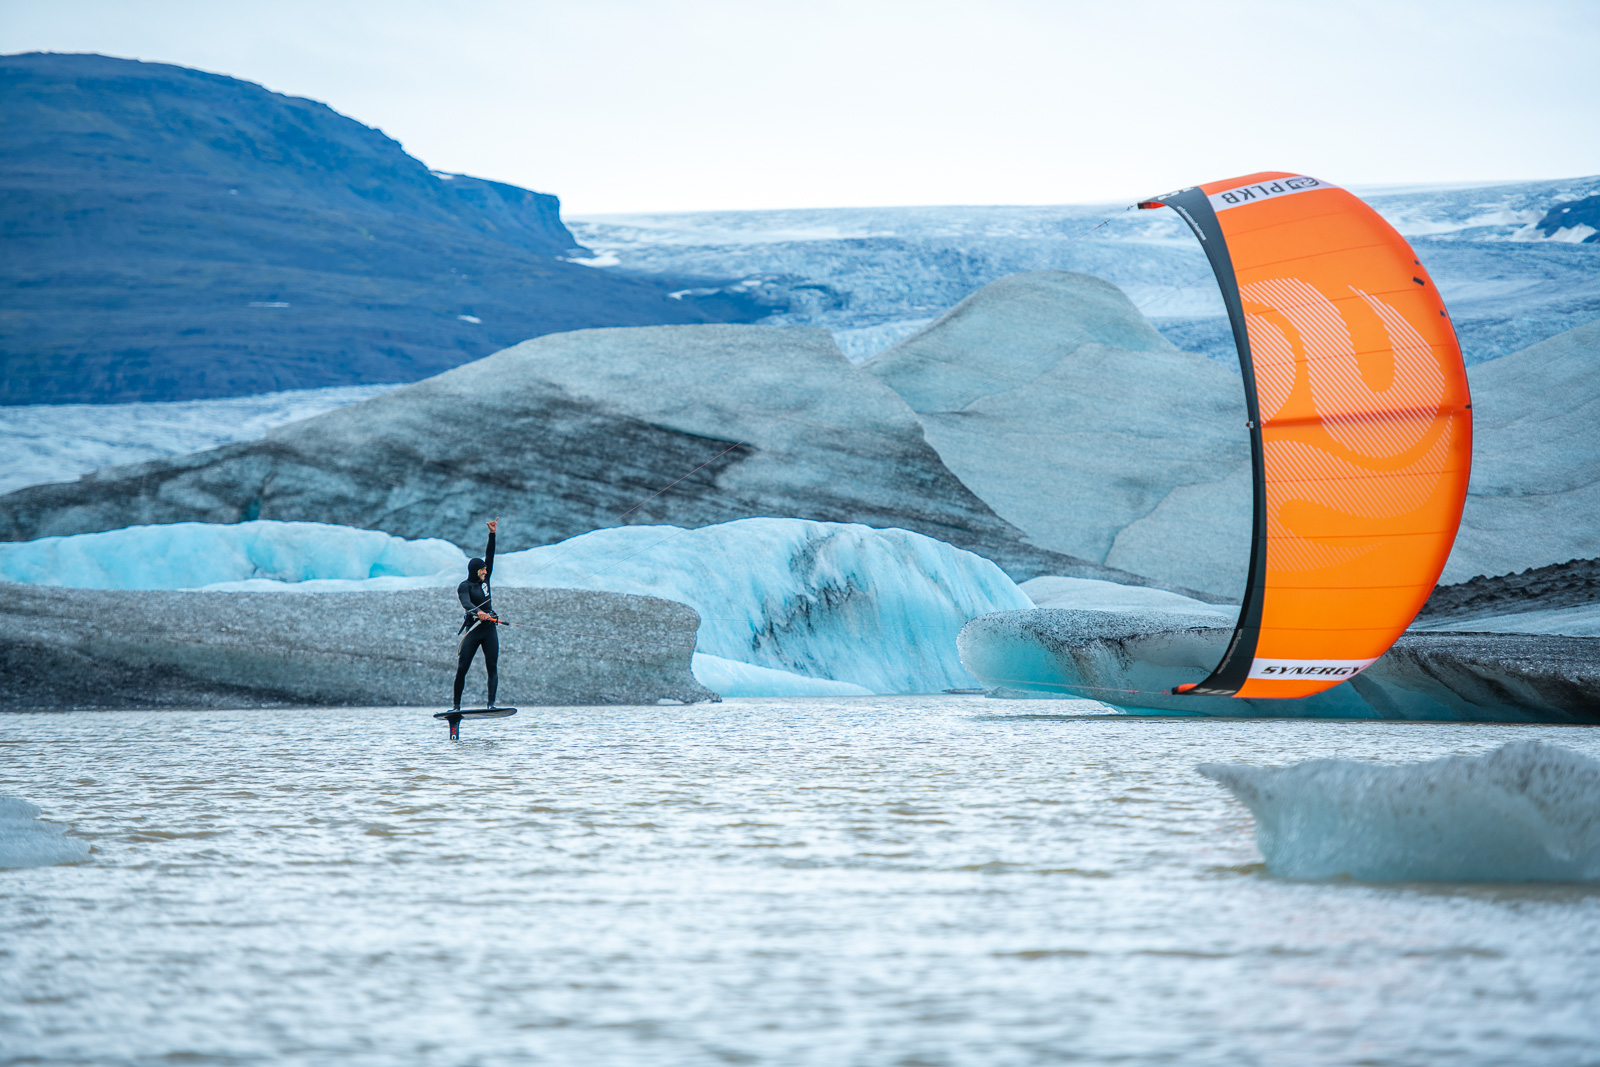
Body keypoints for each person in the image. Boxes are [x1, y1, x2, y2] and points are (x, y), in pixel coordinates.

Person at [452, 517, 501, 711]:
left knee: (492, 667)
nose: (485, 572)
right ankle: (456, 706)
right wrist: (479, 611)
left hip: (489, 629)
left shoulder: (485, 580)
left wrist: (492, 534)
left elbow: (490, 555)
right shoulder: (465, 586)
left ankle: (491, 705)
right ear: (475, 570)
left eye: (486, 569)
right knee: (462, 669)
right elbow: (466, 603)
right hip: (473, 630)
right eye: (482, 570)